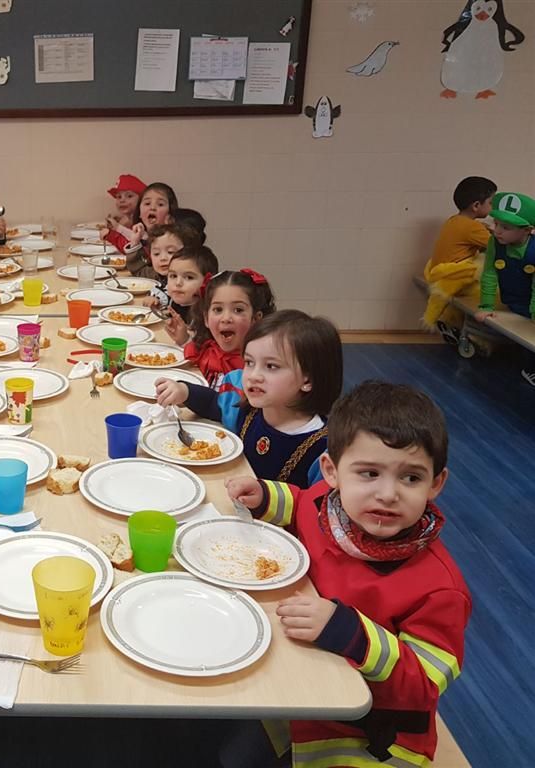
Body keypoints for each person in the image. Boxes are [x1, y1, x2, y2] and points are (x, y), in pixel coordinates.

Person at [225, 381, 470, 767]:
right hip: (298, 692)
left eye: (411, 478)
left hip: (367, 739)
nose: (388, 494)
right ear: (332, 471)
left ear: (436, 484)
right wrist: (266, 496)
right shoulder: (328, 503)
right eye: (369, 473)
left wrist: (350, 632)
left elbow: (422, 686)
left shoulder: (441, 589)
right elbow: (303, 502)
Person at [157, 310, 342, 488]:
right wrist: (184, 391)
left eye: (271, 366)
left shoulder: (323, 449)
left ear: (307, 380)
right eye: (249, 362)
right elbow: (213, 404)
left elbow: (319, 508)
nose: (253, 375)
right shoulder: (245, 408)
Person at [422, 176, 496, 342]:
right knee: (492, 288)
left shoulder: (454, 220)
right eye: (491, 203)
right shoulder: (473, 227)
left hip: (439, 274)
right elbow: (497, 245)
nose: (492, 208)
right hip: (454, 278)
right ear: (476, 205)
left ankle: (449, 322)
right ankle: (478, 337)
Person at [476, 191, 535, 386]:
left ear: (528, 230)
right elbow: (490, 274)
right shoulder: (495, 243)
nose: (497, 230)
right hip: (516, 301)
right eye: (496, 224)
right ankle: (530, 367)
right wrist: (486, 305)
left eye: (505, 227)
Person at [182, 269, 276, 389]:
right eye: (218, 309)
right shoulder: (203, 351)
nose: (226, 318)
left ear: (256, 319)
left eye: (238, 310)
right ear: (206, 318)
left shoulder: (259, 371)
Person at [101, 182, 180, 276]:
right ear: (139, 213)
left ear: (170, 215)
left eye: (160, 204)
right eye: (147, 203)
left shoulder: (175, 241)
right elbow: (142, 272)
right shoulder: (144, 234)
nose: (152, 208)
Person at [162, 244, 219, 342]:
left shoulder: (206, 315)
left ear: (207, 282)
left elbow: (204, 349)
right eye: (173, 276)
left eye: (189, 277)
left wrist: (186, 340)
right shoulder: (176, 300)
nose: (178, 283)